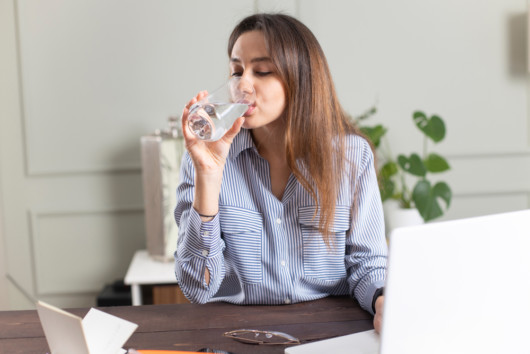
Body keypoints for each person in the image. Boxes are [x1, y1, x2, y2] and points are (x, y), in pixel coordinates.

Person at [174, 13, 387, 332]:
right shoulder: (204, 158)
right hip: (240, 335)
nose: (242, 85)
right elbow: (197, 287)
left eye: (261, 71)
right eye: (236, 71)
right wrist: (209, 176)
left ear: (301, 79)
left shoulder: (351, 157)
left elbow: (367, 264)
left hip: (331, 333)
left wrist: (383, 302)